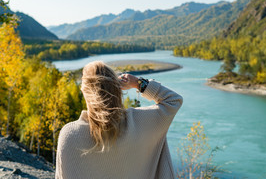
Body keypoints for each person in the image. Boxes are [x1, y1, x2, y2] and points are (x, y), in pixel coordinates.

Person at [55, 61, 183, 179]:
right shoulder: (140, 122)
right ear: (118, 88)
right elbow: (173, 101)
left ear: (85, 92)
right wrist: (138, 83)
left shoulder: (70, 134)